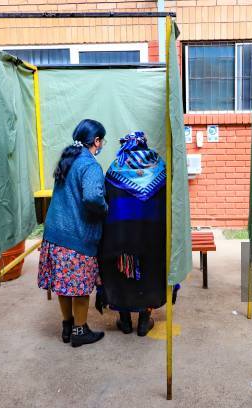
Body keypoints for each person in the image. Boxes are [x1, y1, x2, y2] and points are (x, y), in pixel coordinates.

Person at [38, 119, 108, 347]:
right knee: (79, 287)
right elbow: (93, 197)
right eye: (101, 140)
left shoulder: (68, 159)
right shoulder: (90, 165)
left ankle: (67, 326)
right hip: (76, 237)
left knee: (64, 284)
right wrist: (106, 208)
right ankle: (80, 331)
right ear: (96, 141)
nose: (102, 144)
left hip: (55, 233)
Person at [97, 131, 167, 337]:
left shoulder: (114, 169)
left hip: (120, 237)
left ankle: (125, 321)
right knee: (151, 272)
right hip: (153, 235)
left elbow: (104, 201)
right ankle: (145, 321)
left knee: (120, 274)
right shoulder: (160, 169)